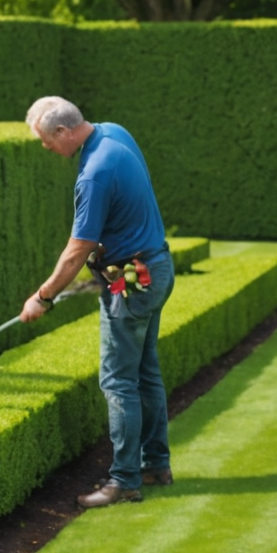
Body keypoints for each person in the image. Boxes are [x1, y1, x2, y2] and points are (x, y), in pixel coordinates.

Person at [18, 96, 174, 508]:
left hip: (134, 283)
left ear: (63, 132)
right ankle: (156, 465)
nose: (46, 148)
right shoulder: (113, 132)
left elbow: (75, 249)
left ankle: (125, 480)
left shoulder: (93, 174)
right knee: (144, 372)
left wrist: (42, 297)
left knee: (118, 381)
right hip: (156, 266)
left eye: (46, 141)